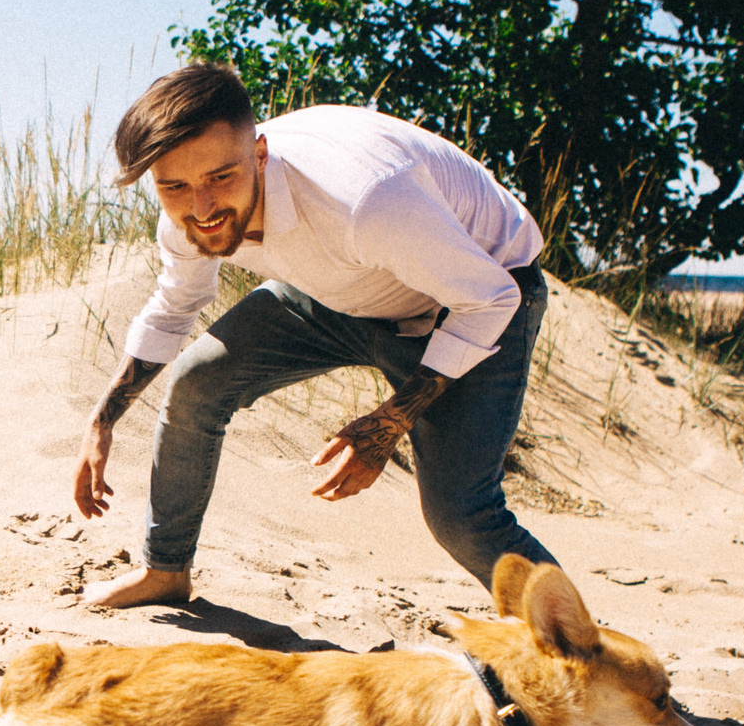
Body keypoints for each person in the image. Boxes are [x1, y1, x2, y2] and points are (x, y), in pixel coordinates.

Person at [73, 63, 556, 609]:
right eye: (174, 185)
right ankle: (164, 571)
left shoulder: (363, 200)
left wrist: (389, 421)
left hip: (474, 298)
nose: (201, 208)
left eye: (220, 178)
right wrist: (102, 420)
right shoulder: (188, 215)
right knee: (197, 382)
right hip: (344, 292)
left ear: (260, 153)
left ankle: (586, 657)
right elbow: (175, 305)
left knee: (461, 514)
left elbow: (491, 298)